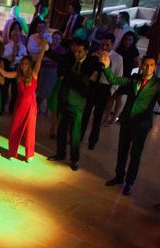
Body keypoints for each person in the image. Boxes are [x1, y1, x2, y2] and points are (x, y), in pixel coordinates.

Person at [100, 53, 160, 196]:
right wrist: (106, 67)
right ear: (141, 66)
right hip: (127, 121)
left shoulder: (159, 83)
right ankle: (119, 177)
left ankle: (130, 183)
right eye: (146, 64)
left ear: (155, 67)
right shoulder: (134, 78)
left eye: (151, 65)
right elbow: (114, 79)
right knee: (122, 151)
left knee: (135, 155)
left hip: (141, 125)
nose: (148, 67)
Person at [47, 39, 102, 171]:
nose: (76, 54)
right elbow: (57, 57)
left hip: (78, 103)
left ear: (86, 52)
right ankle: (60, 154)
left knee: (75, 132)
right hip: (64, 99)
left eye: (80, 51)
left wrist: (104, 61)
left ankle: (74, 159)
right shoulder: (69, 57)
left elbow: (101, 67)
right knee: (61, 128)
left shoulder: (91, 62)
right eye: (75, 51)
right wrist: (47, 48)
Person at [0, 37, 48, 162]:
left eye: (26, 64)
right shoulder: (17, 75)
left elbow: (39, 61)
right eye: (22, 64)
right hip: (20, 105)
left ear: (30, 65)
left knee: (30, 130)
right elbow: (5, 74)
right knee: (15, 127)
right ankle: (12, 151)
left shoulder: (34, 74)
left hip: (31, 105)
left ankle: (29, 154)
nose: (24, 66)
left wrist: (43, 49)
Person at [80, 34, 122, 150]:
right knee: (86, 112)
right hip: (92, 85)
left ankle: (93, 141)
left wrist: (111, 92)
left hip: (104, 88)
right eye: (102, 44)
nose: (104, 47)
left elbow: (118, 76)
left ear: (112, 44)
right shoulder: (95, 54)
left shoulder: (118, 58)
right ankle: (79, 137)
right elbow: (87, 71)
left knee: (98, 116)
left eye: (107, 45)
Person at [105, 31, 141, 125]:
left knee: (118, 96)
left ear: (133, 41)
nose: (127, 41)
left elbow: (137, 64)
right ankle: (106, 117)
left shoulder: (134, 51)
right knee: (112, 96)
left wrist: (134, 76)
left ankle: (113, 118)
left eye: (130, 40)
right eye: (126, 39)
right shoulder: (119, 48)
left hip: (126, 76)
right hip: (117, 74)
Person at [2, 25, 28, 115]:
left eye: (18, 36)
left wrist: (18, 57)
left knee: (15, 91)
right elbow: (6, 57)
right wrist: (14, 52)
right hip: (8, 68)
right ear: (11, 36)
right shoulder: (7, 46)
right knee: (4, 89)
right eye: (14, 35)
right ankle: (1, 109)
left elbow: (25, 57)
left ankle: (12, 109)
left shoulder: (23, 47)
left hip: (18, 69)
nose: (17, 37)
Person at [39, 30, 64, 115]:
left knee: (51, 91)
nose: (55, 40)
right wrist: (51, 60)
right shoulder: (47, 47)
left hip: (54, 72)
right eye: (54, 38)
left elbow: (59, 62)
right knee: (41, 90)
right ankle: (38, 108)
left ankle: (47, 110)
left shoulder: (61, 50)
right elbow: (42, 58)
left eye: (57, 38)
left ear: (60, 40)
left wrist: (49, 60)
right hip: (44, 70)